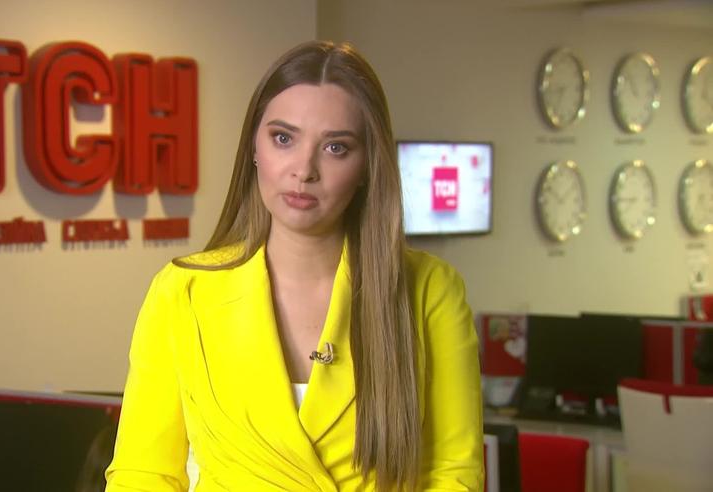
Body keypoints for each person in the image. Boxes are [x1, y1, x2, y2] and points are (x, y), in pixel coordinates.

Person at [105, 40, 483, 491]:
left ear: (368, 164)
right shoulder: (183, 291)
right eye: (283, 139)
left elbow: (453, 474)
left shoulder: (430, 290)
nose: (304, 170)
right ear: (254, 146)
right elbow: (143, 474)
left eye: (336, 148)